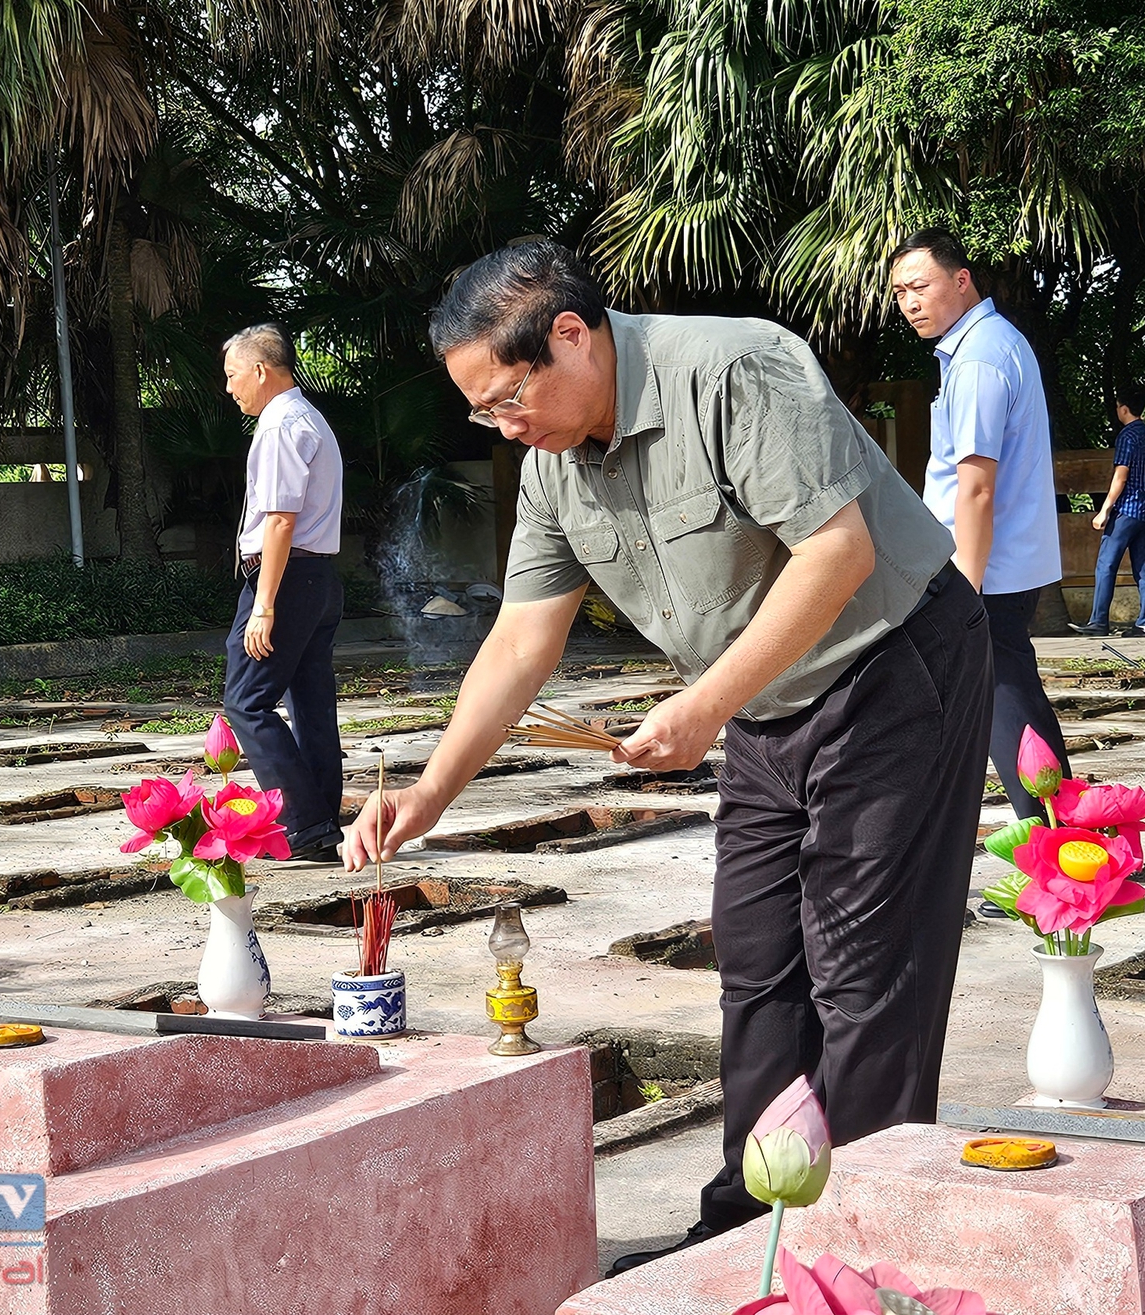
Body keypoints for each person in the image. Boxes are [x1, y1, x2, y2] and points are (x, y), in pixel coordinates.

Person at [344, 242, 993, 1272]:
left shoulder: (733, 372)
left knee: (864, 974)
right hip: (765, 706)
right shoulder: (556, 466)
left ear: (569, 334)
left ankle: (856, 1249)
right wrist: (430, 788)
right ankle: (747, 1223)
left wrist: (702, 706)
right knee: (753, 961)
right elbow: (521, 637)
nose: (507, 427)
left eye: (508, 399)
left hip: (892, 666)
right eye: (484, 414)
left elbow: (839, 553)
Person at [889, 228, 1071, 824]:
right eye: (898, 292)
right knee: (999, 694)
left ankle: (1059, 847)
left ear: (961, 280)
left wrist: (964, 581)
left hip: (981, 570)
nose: (909, 302)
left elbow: (976, 484)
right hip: (993, 564)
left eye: (920, 286)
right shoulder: (991, 344)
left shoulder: (979, 358)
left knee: (1006, 699)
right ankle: (1060, 842)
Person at [220, 322, 347, 861]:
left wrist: (264, 604)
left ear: (259, 370)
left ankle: (303, 823)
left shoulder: (279, 425)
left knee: (246, 702)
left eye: (232, 376)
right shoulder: (309, 417)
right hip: (318, 578)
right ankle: (321, 820)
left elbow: (279, 520)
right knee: (310, 702)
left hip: (288, 579)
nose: (230, 389)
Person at [1070, 383, 1145, 637]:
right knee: (1143, 568)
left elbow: (1121, 476)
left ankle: (1099, 622)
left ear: (1123, 409)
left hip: (1127, 511)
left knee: (1106, 565)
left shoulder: (1127, 436)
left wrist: (1104, 510)